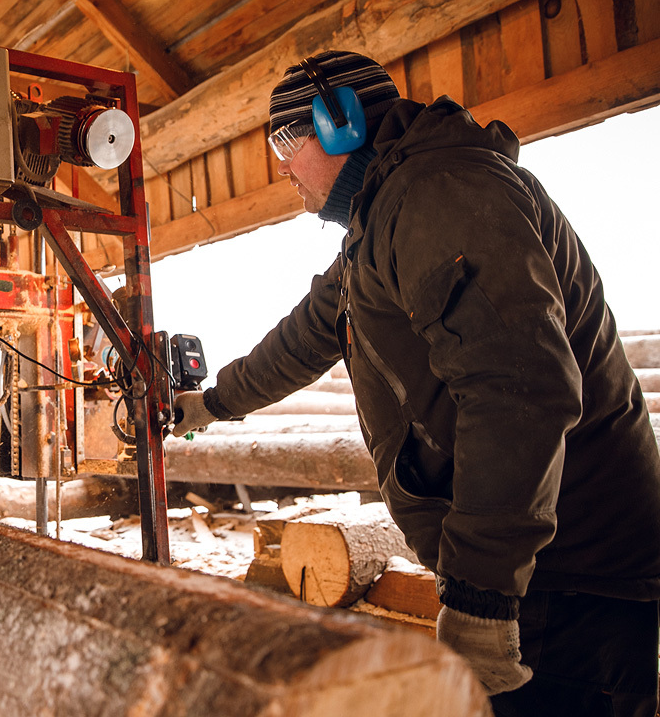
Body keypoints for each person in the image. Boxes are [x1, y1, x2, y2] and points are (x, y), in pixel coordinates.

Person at [171, 50, 660, 715]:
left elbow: (520, 391)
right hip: (539, 571)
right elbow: (307, 334)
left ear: (341, 123)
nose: (283, 167)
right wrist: (207, 405)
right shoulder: (384, 219)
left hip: (567, 578)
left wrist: (483, 596)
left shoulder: (440, 193)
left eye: (286, 142)